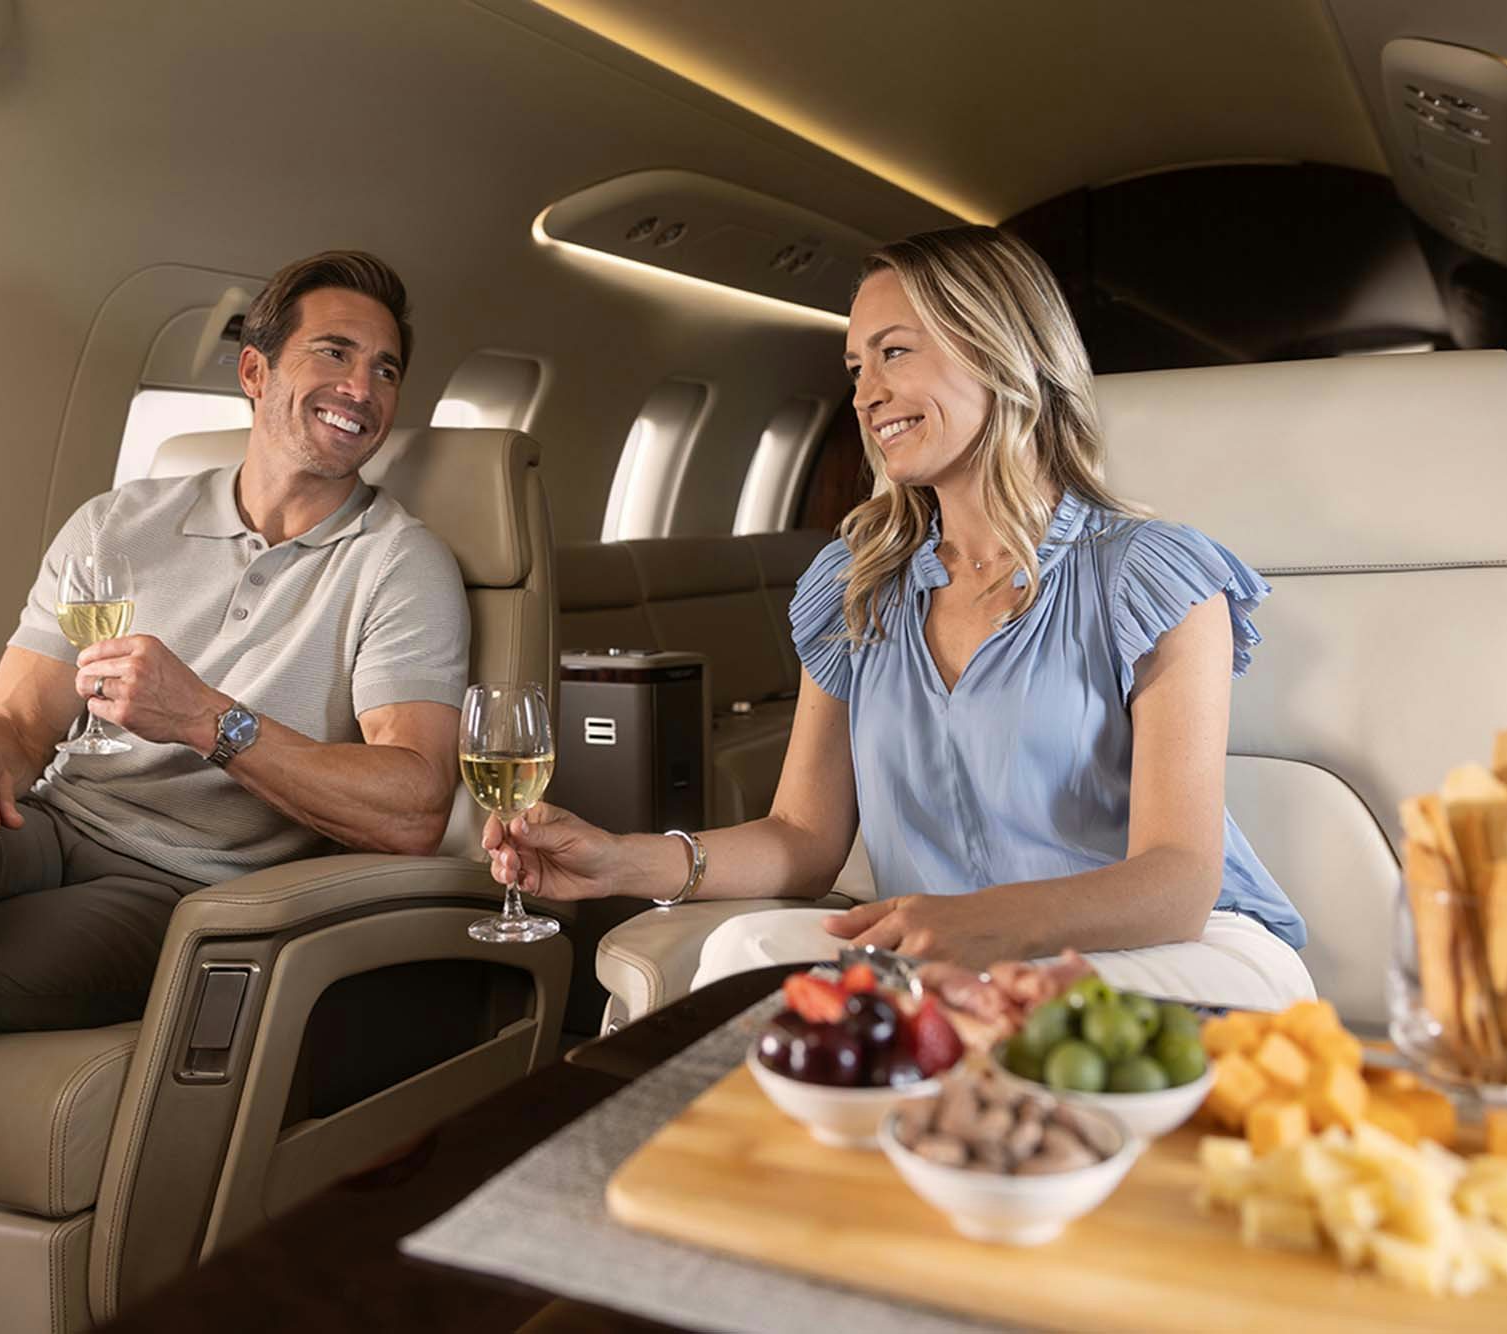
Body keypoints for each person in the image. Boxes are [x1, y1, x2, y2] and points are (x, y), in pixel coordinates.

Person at [0, 249, 470, 1333]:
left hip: (177, 891)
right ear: (253, 372)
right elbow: (19, 725)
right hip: (46, 823)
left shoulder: (398, 564)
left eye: (385, 370)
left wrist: (209, 717)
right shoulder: (118, 525)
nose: (362, 389)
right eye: (333, 353)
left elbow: (412, 801)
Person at [486, 225, 1311, 1010]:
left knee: (1015, 1014)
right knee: (739, 954)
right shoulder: (854, 585)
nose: (865, 395)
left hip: (1171, 952)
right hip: (949, 953)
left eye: (894, 352)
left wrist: (992, 926)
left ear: (999, 351)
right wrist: (618, 861)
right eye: (855, 367)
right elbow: (803, 837)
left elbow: (1179, 876)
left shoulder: (1151, 574)